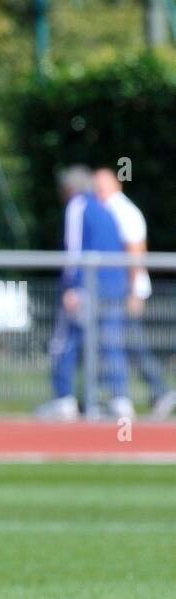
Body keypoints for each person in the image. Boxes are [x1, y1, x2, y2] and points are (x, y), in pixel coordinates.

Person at [37, 166, 131, 420]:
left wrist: (72, 287)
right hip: (112, 285)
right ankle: (121, 401)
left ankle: (64, 399)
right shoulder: (104, 208)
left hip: (87, 286)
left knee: (65, 340)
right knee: (110, 342)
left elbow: (74, 249)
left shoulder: (78, 206)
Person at [94, 167, 176, 419]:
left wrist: (133, 289)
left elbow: (135, 252)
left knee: (118, 342)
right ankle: (157, 391)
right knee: (130, 344)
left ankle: (125, 397)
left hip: (127, 289)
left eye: (101, 186)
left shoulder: (123, 211)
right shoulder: (107, 210)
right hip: (119, 289)